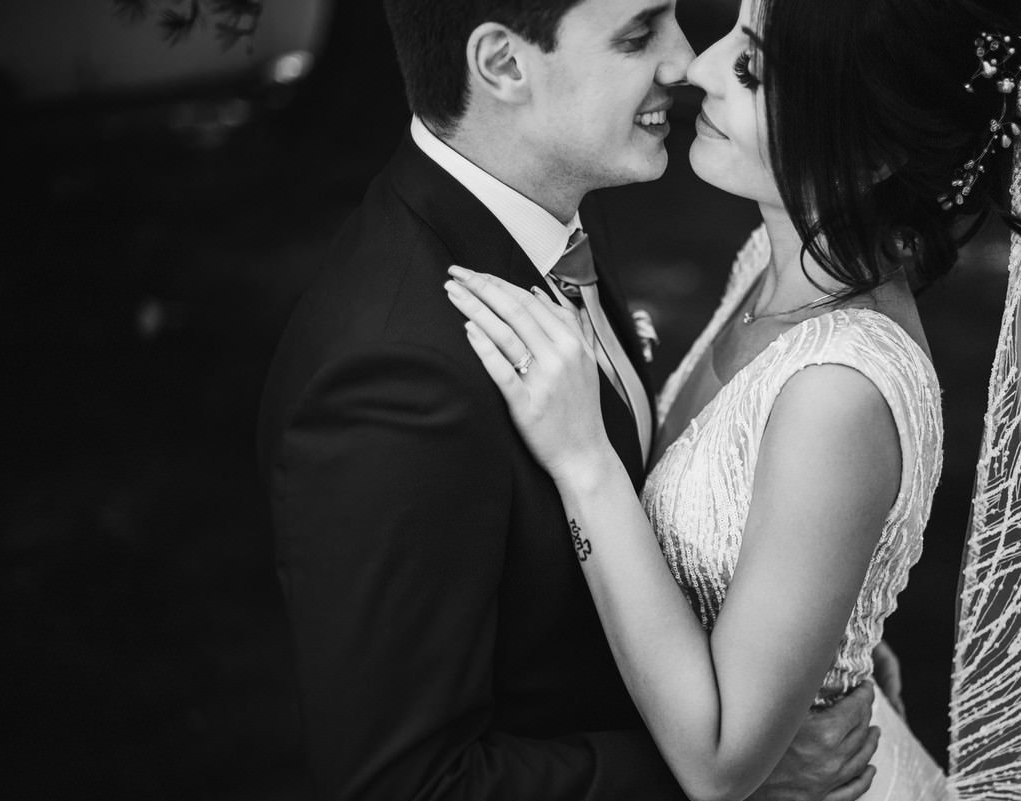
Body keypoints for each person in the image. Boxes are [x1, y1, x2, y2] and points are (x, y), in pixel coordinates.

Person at [446, 0, 1021, 799]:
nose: (698, 69)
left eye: (751, 68)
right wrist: (826, 634)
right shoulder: (772, 260)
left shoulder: (837, 389)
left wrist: (585, 460)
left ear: (873, 151)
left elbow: (721, 762)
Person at [257, 0, 885, 798]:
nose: (685, 61)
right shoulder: (399, 377)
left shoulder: (543, 209)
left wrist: (804, 631)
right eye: (639, 33)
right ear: (504, 65)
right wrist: (741, 772)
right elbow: (404, 782)